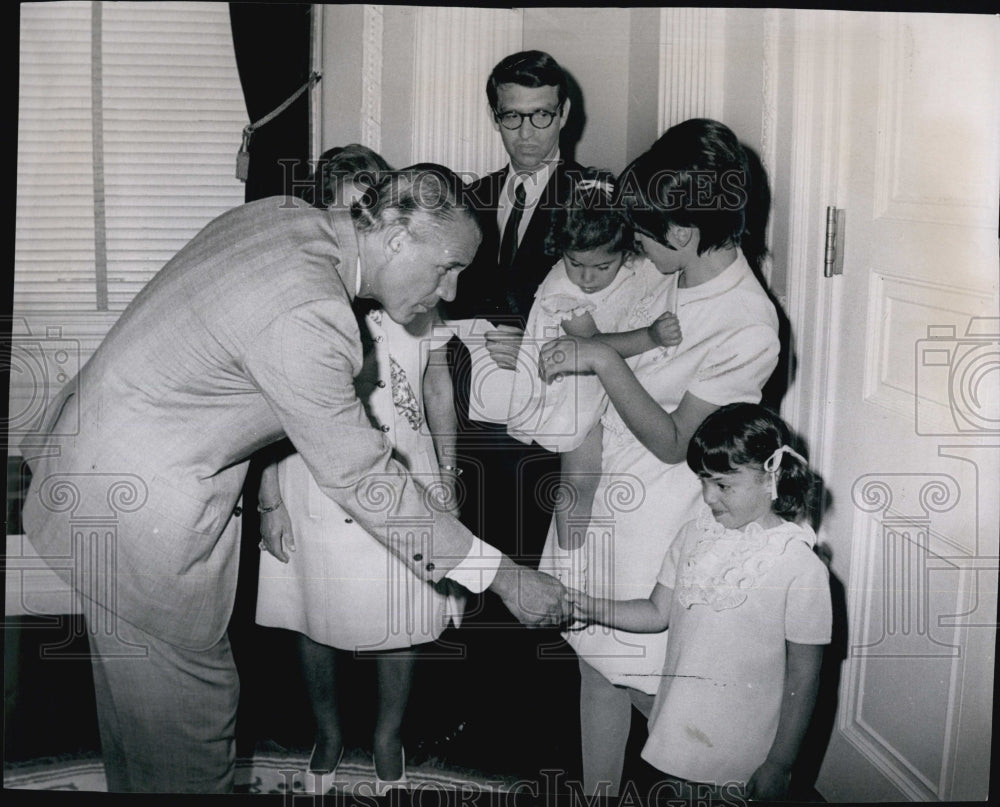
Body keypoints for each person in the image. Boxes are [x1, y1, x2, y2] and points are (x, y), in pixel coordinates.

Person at [19, 166, 570, 793]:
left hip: (87, 476)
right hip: (141, 523)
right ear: (396, 239)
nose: (447, 293)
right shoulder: (315, 312)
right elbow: (362, 477)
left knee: (138, 725)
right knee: (190, 740)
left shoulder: (283, 216)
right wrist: (502, 575)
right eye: (447, 268)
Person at [537, 118, 781, 796]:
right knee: (594, 660)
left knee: (647, 681)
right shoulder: (672, 270)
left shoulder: (748, 325)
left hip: (659, 511)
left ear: (681, 233)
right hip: (603, 488)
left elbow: (678, 441)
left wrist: (599, 358)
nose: (633, 245)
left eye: (642, 233)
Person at [256, 154, 461, 794]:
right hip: (311, 472)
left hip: (403, 468)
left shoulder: (420, 286)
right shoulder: (303, 291)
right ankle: (328, 731)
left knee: (398, 608)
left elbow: (436, 388)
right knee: (312, 608)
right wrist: (268, 496)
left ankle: (387, 734)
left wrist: (446, 473)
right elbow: (263, 402)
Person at [569, 403, 832, 801]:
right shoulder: (693, 536)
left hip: (744, 750)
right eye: (703, 481)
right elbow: (656, 613)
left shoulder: (801, 569)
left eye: (724, 485)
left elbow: (804, 678)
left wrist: (780, 764)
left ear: (771, 478)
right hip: (682, 729)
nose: (708, 496)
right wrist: (584, 606)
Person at [507, 169, 682, 558]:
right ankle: (569, 558)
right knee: (581, 477)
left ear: (627, 250)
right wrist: (650, 337)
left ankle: (592, 554)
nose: (586, 278)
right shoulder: (560, 289)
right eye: (574, 263)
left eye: (602, 267)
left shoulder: (639, 262)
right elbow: (591, 347)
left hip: (610, 375)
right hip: (572, 383)